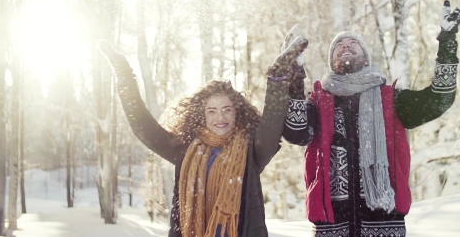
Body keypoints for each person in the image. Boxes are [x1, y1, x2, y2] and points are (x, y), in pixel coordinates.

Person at [282, 0, 460, 237]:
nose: (346, 46)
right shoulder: (319, 103)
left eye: (352, 43)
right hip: (332, 225)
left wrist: (448, 42)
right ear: (332, 60)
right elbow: (295, 131)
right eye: (339, 45)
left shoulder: (390, 101)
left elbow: (439, 100)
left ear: (365, 57)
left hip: (385, 223)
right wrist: (293, 73)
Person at [98, 35, 307, 237]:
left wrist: (278, 77)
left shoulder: (252, 150)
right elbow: (143, 128)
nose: (220, 117)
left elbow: (272, 124)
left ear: (237, 112)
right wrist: (124, 75)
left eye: (227, 109)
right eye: (212, 111)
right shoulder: (185, 149)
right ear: (202, 115)